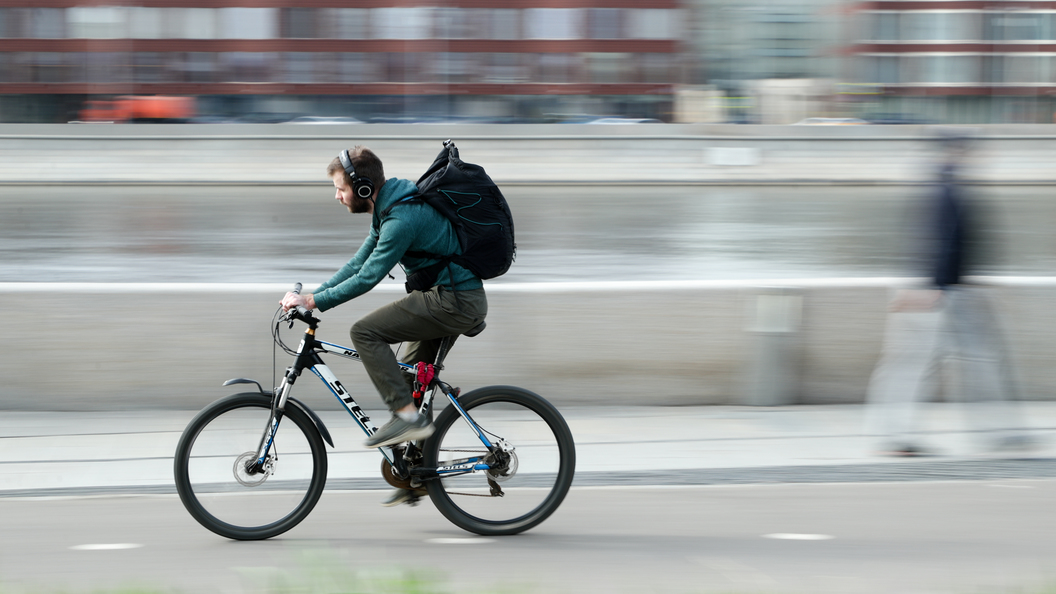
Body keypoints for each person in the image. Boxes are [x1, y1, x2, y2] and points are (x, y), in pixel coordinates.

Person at [280, 146, 488, 504]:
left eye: (340, 189)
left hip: (454, 301)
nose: (337, 196)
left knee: (364, 332)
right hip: (446, 297)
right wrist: (311, 295)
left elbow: (369, 278)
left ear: (363, 189)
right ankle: (420, 473)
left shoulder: (400, 219)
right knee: (409, 379)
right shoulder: (390, 209)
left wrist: (314, 303)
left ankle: (407, 418)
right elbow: (356, 265)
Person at [864, 130, 1029, 456]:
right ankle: (896, 437)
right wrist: (933, 287)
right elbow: (940, 242)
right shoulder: (947, 191)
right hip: (936, 292)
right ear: (957, 153)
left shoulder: (936, 186)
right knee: (918, 364)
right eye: (969, 152)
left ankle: (993, 431)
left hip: (947, 289)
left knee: (967, 361)